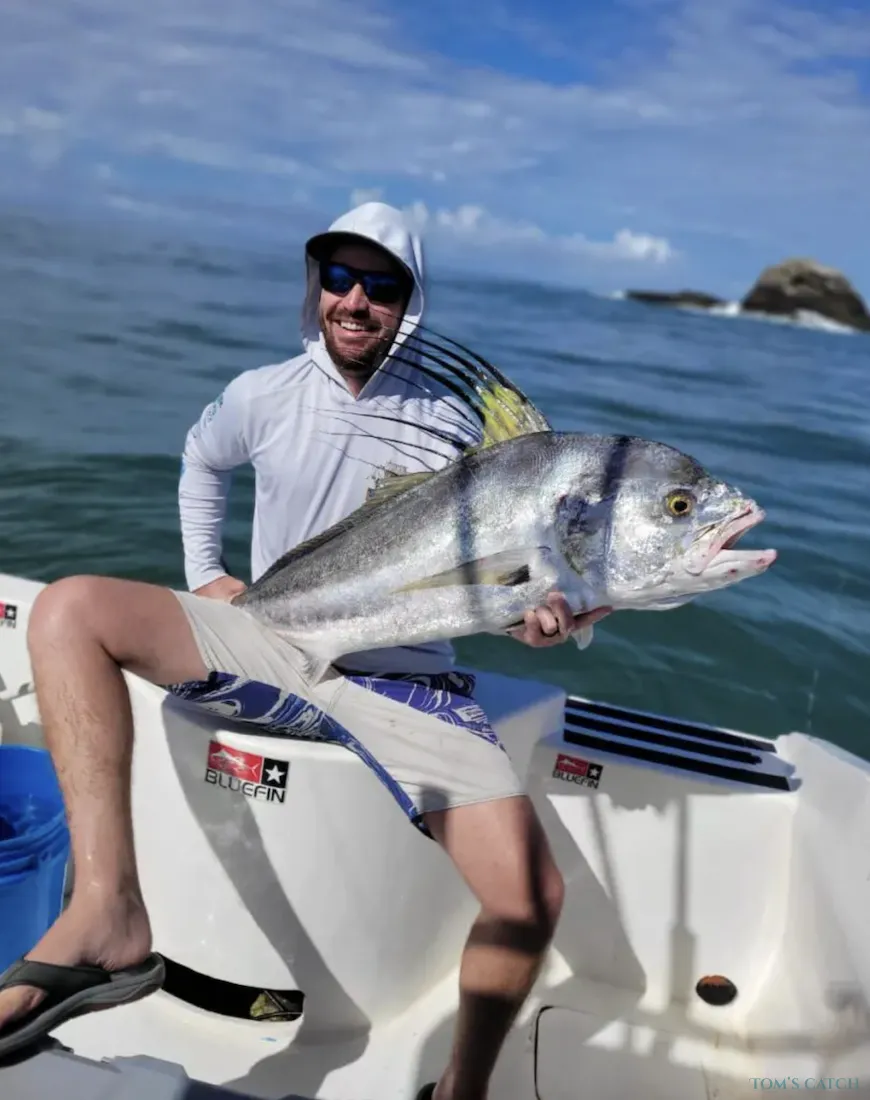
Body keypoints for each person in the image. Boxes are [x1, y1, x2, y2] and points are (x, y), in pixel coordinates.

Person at [0, 202, 611, 1097]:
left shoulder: (456, 428)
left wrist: (539, 621)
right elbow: (201, 458)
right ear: (316, 285)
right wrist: (207, 574)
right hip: (271, 637)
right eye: (340, 277)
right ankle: (108, 910)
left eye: (382, 285)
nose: (356, 301)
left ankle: (462, 1089)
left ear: (410, 302)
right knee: (65, 612)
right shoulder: (264, 393)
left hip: (407, 681)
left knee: (531, 900)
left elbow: (504, 581)